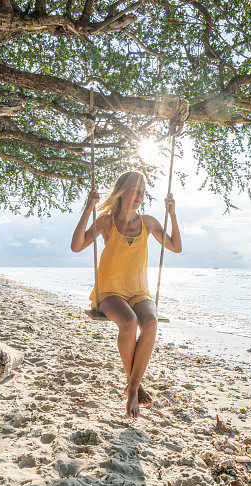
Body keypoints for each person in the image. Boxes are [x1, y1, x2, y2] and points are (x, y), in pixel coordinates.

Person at [70, 171, 182, 418]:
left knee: (151, 323)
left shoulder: (149, 222)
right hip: (110, 291)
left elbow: (175, 247)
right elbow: (77, 246)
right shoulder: (107, 221)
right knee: (130, 322)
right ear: (123, 192)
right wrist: (88, 209)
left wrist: (172, 214)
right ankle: (133, 389)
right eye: (137, 190)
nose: (141, 195)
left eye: (143, 191)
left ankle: (132, 384)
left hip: (139, 291)